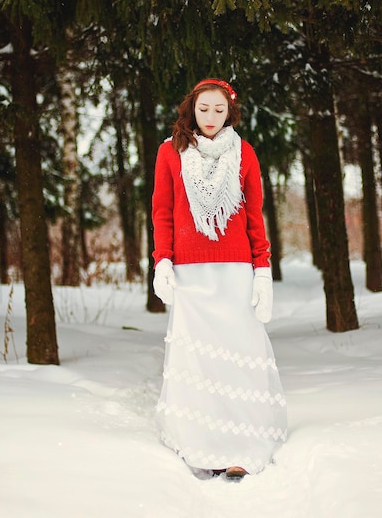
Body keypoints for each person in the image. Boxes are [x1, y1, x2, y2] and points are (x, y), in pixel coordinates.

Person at [152, 79, 287, 480]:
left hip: (235, 273)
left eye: (219, 110)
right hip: (190, 275)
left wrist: (262, 270)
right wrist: (162, 261)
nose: (211, 117)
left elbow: (254, 216)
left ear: (230, 112)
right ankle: (202, 444)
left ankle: (241, 448)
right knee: (198, 363)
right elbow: (163, 211)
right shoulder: (169, 151)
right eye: (204, 109)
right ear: (191, 108)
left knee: (238, 362)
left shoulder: (244, 153)